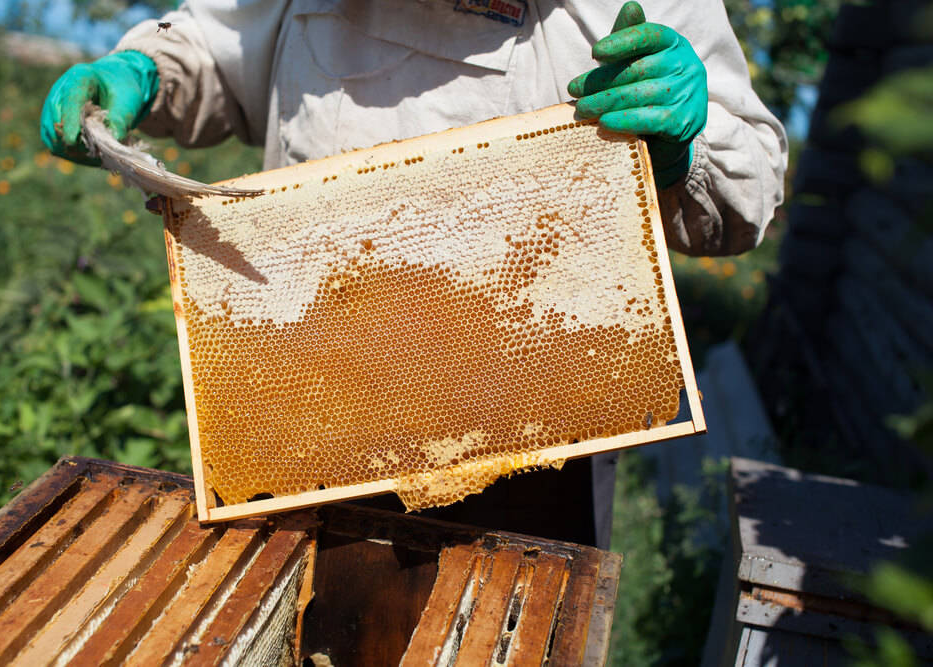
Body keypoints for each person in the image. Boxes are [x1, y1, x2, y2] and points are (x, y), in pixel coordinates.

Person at [40, 0, 787, 548]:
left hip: (528, 439)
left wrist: (690, 148)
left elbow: (749, 181)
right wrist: (143, 69)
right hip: (308, 409)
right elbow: (220, 44)